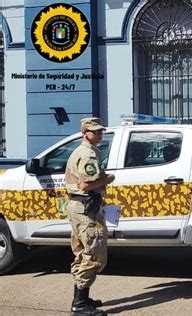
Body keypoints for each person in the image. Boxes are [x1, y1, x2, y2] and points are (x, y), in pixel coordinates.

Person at [65, 117, 115, 315]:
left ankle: (82, 298)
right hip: (86, 209)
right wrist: (109, 179)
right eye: (95, 131)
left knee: (82, 253)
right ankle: (80, 306)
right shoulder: (88, 153)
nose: (100, 134)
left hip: (80, 207)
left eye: (101, 131)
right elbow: (86, 185)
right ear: (85, 133)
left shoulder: (82, 151)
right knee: (93, 254)